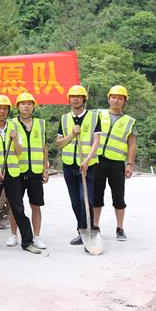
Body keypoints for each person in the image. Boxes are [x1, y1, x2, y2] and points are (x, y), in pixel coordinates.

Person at [0, 94, 41, 254]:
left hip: (12, 172)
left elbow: (19, 152)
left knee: (17, 207)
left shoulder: (14, 126)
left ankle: (27, 241)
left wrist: (14, 140)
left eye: (5, 108)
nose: (2, 111)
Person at [87, 85, 137, 241]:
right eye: (114, 97)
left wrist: (129, 164)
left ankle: (120, 228)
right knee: (96, 195)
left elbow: (132, 144)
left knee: (118, 197)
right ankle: (95, 226)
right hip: (98, 160)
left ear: (124, 101)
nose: (116, 100)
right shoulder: (98, 114)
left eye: (120, 98)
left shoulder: (129, 121)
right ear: (108, 98)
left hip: (116, 163)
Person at [55, 84, 100, 245]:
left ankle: (90, 230)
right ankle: (82, 230)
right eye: (72, 96)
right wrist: (72, 134)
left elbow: (96, 142)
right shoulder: (65, 118)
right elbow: (59, 143)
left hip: (87, 165)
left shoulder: (94, 117)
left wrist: (87, 160)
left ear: (84, 99)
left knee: (85, 199)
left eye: (78, 96)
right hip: (69, 165)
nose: (75, 99)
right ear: (69, 99)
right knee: (75, 201)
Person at [12, 92, 49, 250]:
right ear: (17, 106)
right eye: (22, 103)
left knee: (36, 205)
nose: (26, 106)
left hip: (35, 171)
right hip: (17, 171)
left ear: (33, 106)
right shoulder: (11, 124)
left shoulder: (40, 124)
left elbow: (44, 147)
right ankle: (14, 234)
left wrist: (45, 168)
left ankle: (37, 236)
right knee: (15, 205)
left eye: (29, 103)